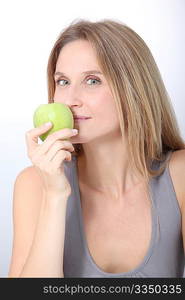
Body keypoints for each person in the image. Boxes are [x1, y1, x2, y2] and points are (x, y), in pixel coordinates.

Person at [8, 19, 185, 278]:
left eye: (92, 81)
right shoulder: (34, 184)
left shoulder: (180, 176)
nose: (69, 100)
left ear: (133, 88)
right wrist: (54, 197)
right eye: (63, 82)